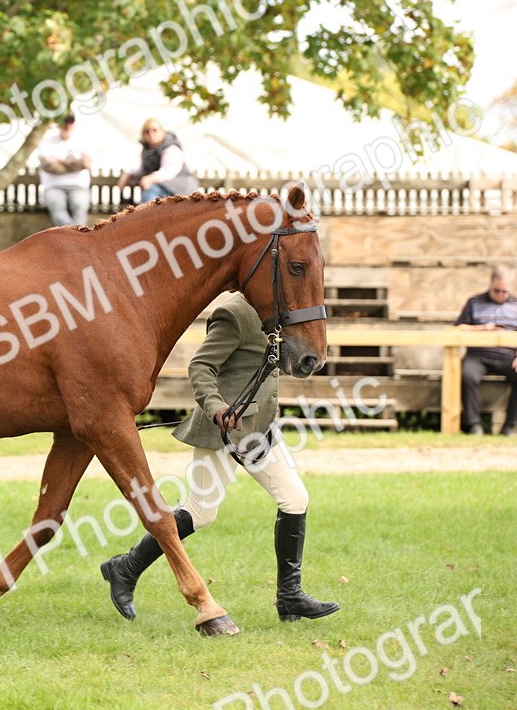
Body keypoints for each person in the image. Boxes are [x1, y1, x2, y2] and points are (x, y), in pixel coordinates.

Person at [99, 294, 339, 624]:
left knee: (296, 498)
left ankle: (290, 597)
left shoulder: (280, 313)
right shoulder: (235, 313)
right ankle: (123, 569)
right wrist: (216, 409)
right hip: (224, 431)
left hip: (260, 429)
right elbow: (200, 366)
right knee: (201, 512)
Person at [454, 265, 517, 436]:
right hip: (477, 355)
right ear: (491, 284)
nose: (500, 295)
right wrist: (480, 329)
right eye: (497, 290)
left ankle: (511, 427)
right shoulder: (474, 302)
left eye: (504, 291)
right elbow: (458, 329)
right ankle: (473, 425)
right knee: (466, 375)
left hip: (508, 356)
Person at [116, 118, 199, 203]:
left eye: (154, 130)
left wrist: (151, 179)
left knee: (152, 189)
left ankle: (145, 215)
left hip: (181, 188)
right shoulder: (147, 150)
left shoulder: (171, 148)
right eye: (147, 131)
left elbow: (168, 171)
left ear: (162, 131)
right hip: (162, 187)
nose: (151, 134)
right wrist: (130, 176)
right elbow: (143, 169)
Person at [36, 114, 92, 227]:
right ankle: (76, 235)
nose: (67, 125)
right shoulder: (47, 141)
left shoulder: (83, 140)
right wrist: (74, 163)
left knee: (79, 207)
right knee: (57, 209)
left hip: (78, 186)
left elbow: (85, 163)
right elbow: (48, 167)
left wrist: (57, 161)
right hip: (53, 186)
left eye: (70, 121)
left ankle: (74, 237)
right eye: (64, 121)